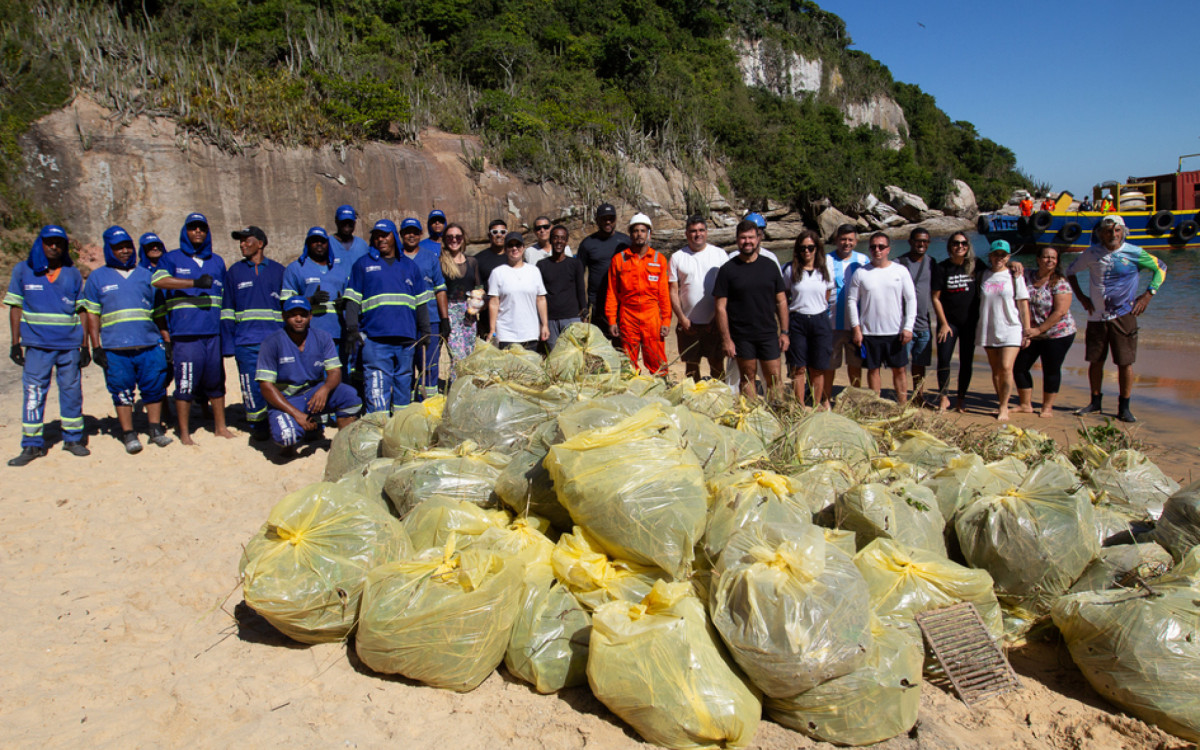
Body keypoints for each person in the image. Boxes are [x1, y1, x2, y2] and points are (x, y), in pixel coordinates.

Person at [81, 225, 172, 453]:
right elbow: (92, 315)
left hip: (149, 345)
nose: (124, 251)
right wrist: (96, 347)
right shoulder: (97, 278)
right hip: (115, 349)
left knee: (154, 388)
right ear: (109, 249)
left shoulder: (146, 275)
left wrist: (166, 340)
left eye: (127, 247)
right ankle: (129, 433)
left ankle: (155, 429)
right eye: (118, 247)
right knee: (121, 391)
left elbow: (159, 313)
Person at [1067, 214, 1165, 422]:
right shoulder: (1091, 253)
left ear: (1123, 232)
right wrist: (1081, 297)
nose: (1113, 234)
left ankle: (1124, 407)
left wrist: (1148, 295)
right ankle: (1095, 402)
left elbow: (1161, 268)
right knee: (1095, 361)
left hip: (1123, 316)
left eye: (1117, 230)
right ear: (1100, 233)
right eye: (1108, 230)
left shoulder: (1134, 253)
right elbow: (1070, 271)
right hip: (1096, 317)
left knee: (1125, 363)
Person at [6, 225, 90, 465]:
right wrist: (15, 343)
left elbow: (82, 310)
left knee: (71, 392)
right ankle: (31, 444)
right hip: (37, 345)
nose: (54, 247)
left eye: (59, 243)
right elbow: (16, 307)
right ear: (40, 243)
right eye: (49, 242)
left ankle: (73, 439)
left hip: (68, 346)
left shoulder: (72, 274)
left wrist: (85, 345)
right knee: (34, 393)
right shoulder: (23, 270)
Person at [152, 212, 234, 445]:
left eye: (202, 228)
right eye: (193, 227)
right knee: (185, 384)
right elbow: (158, 281)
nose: (198, 231)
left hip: (213, 333)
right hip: (186, 334)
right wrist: (194, 283)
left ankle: (220, 427)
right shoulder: (171, 258)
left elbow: (225, 294)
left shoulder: (217, 261)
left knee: (216, 382)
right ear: (185, 231)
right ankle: (185, 433)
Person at [343, 219, 430, 414]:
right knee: (377, 392)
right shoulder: (363, 265)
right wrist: (352, 328)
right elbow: (352, 301)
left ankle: (399, 426)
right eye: (376, 236)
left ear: (394, 237)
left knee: (403, 388)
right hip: (376, 341)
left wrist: (425, 330)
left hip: (406, 341)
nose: (380, 239)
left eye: (385, 235)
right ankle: (379, 428)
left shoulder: (410, 267)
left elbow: (421, 302)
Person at [256, 296, 362, 455]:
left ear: (310, 316)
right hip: (287, 400)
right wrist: (297, 414)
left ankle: (343, 447)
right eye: (293, 315)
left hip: (314, 394)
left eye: (303, 315)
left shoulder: (322, 337)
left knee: (350, 397)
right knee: (287, 437)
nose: (299, 319)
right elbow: (266, 387)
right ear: (284, 316)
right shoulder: (272, 342)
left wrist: (325, 389)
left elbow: (334, 372)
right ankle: (292, 438)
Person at [221, 225, 284, 439]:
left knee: (276, 384)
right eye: (240, 241)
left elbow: (287, 306)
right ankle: (258, 427)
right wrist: (228, 344)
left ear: (261, 243)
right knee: (251, 386)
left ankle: (277, 420)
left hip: (275, 341)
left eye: (247, 240)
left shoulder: (279, 271)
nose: (242, 245)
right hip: (245, 342)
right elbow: (227, 310)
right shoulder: (234, 272)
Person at [713, 220, 788, 400]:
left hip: (768, 333)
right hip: (742, 335)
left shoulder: (770, 266)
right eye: (743, 238)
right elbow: (720, 307)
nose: (747, 241)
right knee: (747, 378)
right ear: (737, 240)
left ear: (758, 238)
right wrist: (726, 340)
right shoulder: (727, 270)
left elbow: (781, 301)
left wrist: (785, 332)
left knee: (774, 378)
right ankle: (752, 414)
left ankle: (777, 411)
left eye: (751, 237)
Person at [847, 232, 917, 404]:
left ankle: (902, 405)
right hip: (870, 333)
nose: (877, 250)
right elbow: (851, 301)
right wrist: (856, 329)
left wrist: (908, 327)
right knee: (873, 370)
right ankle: (876, 404)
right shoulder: (861, 273)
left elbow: (911, 299)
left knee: (899, 370)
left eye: (881, 246)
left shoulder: (900, 271)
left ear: (888, 249)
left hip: (896, 332)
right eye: (873, 247)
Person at [1014, 246, 1077, 418]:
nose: (1050, 260)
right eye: (1046, 257)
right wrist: (1015, 263)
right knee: (1019, 367)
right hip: (1032, 332)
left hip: (1057, 333)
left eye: (1053, 258)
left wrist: (1039, 330)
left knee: (1050, 369)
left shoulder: (1060, 282)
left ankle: (1047, 407)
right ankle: (1025, 404)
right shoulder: (1027, 275)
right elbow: (1011, 267)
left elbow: (1060, 312)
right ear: (1038, 259)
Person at [605, 213, 671, 374]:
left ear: (649, 234)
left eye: (643, 230)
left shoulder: (659, 259)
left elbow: (664, 293)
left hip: (652, 316)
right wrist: (612, 320)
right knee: (629, 362)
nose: (639, 234)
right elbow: (612, 292)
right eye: (635, 231)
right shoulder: (619, 260)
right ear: (630, 234)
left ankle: (661, 386)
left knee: (657, 360)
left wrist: (666, 320)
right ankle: (632, 388)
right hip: (628, 316)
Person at [669, 214, 728, 380]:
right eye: (693, 231)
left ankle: (718, 393)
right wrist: (682, 318)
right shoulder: (677, 257)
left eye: (701, 230)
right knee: (691, 366)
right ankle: (694, 394)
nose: (698, 234)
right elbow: (673, 291)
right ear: (686, 234)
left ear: (706, 232)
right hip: (689, 324)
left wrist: (719, 319)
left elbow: (728, 289)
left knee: (717, 364)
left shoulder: (720, 255)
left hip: (715, 323)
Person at [977, 240, 1030, 422]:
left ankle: (1003, 407)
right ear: (990, 255)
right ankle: (1001, 401)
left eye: (1003, 255)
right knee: (996, 370)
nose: (999, 258)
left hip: (1011, 327)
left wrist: (1027, 330)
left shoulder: (1015, 276)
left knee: (1006, 367)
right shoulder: (982, 275)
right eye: (995, 254)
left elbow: (1023, 304)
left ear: (1008, 257)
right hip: (989, 327)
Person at [281, 226, 350, 362]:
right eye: (314, 241)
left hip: (338, 333)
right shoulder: (296, 268)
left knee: (338, 373)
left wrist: (345, 303)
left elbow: (352, 300)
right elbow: (286, 302)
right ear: (308, 244)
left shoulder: (340, 270)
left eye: (322, 241)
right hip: (310, 335)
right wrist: (309, 300)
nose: (319, 244)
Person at [782, 230, 833, 408]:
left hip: (820, 320)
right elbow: (784, 296)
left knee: (818, 367)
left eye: (810, 247)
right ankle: (800, 406)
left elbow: (827, 294)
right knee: (799, 367)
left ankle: (817, 404)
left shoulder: (825, 270)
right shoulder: (790, 270)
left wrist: (817, 307)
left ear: (817, 248)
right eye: (803, 248)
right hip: (797, 320)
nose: (806, 251)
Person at [931, 232, 981, 413]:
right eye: (956, 243)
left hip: (970, 323)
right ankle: (944, 398)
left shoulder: (976, 265)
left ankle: (961, 399)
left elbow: (997, 270)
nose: (960, 246)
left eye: (963, 243)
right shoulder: (942, 267)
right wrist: (943, 323)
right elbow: (935, 298)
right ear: (950, 246)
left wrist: (1014, 265)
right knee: (944, 359)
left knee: (966, 362)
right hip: (949, 323)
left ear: (968, 246)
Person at [399, 217, 448, 399]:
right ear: (401, 235)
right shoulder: (395, 258)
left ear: (420, 234)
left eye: (415, 232)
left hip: (431, 319)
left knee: (429, 365)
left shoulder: (430, 258)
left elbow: (440, 289)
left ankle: (428, 403)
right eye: (407, 232)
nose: (411, 235)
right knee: (405, 365)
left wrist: (444, 319)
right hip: (404, 321)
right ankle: (407, 404)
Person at [823, 223, 867, 402]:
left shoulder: (863, 260)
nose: (846, 243)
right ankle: (825, 399)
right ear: (836, 240)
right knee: (829, 365)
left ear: (856, 241)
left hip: (855, 325)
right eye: (843, 239)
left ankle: (855, 400)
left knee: (855, 365)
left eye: (850, 239)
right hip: (831, 323)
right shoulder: (825, 259)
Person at [576, 203, 630, 339]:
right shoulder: (588, 244)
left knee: (620, 345)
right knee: (598, 345)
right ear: (597, 220)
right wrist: (582, 305)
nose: (608, 222)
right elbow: (579, 276)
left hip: (620, 302)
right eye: (604, 218)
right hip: (596, 304)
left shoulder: (625, 242)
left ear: (616, 219)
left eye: (611, 218)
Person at [487, 232, 548, 350]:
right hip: (506, 334)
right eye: (510, 245)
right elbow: (494, 303)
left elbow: (541, 299)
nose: (514, 248)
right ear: (505, 249)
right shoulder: (497, 273)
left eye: (518, 245)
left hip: (530, 333)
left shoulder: (534, 271)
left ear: (523, 248)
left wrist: (545, 325)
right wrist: (492, 330)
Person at [895, 227, 935, 404]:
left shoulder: (932, 263)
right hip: (904, 324)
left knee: (920, 363)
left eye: (925, 241)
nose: (921, 244)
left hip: (924, 322)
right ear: (910, 242)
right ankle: (903, 398)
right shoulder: (899, 263)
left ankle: (918, 396)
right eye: (918, 240)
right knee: (901, 364)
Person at [438, 222, 480, 380]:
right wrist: (444, 319)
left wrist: (478, 300)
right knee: (457, 355)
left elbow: (479, 286)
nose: (454, 240)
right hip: (450, 312)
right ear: (444, 239)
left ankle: (468, 386)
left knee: (469, 353)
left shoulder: (472, 262)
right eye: (450, 237)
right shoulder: (441, 262)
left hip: (469, 313)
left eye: (458, 236)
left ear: (463, 239)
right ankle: (456, 386)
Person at [537, 225, 586, 351]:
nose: (559, 241)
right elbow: (539, 295)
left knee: (573, 353)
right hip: (550, 319)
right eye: (555, 238)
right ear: (550, 240)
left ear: (566, 242)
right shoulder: (542, 265)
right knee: (555, 355)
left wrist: (584, 311)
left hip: (571, 317)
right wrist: (542, 321)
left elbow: (581, 289)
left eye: (562, 238)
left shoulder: (575, 264)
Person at [475, 218, 510, 339]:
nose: (499, 235)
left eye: (503, 232)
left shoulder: (514, 257)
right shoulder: (479, 259)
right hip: (488, 316)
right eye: (495, 232)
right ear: (489, 235)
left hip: (511, 315)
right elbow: (476, 287)